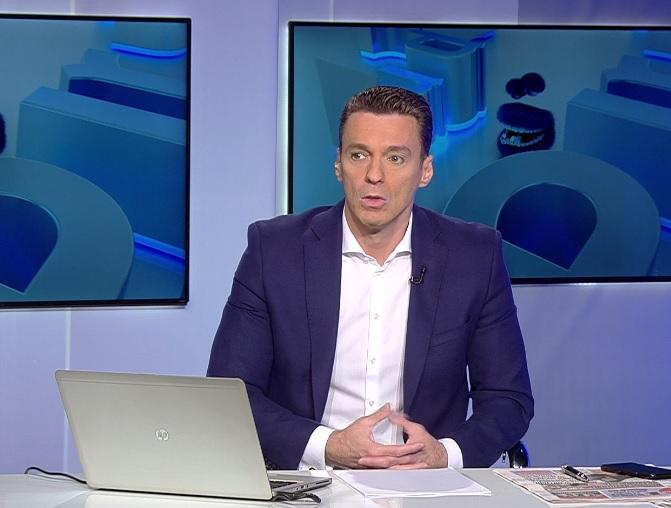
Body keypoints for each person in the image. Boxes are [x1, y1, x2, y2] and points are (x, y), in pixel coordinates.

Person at [208, 86, 533, 470]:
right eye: (359, 155)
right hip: (308, 481)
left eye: (395, 158)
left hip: (423, 486)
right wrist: (326, 446)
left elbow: (507, 399)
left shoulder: (474, 256)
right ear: (338, 165)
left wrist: (443, 454)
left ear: (425, 170)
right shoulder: (275, 250)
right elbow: (230, 393)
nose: (374, 175)